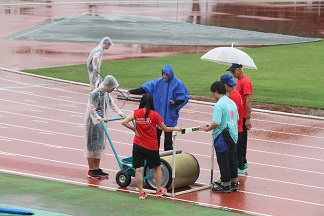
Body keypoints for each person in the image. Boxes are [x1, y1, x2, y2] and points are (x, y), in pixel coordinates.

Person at [122, 93, 182, 199]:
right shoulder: (154, 115)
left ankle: (141, 193)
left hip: (138, 144)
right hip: (151, 146)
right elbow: (165, 129)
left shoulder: (136, 113)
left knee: (139, 169)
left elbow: (124, 122)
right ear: (152, 103)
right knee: (157, 167)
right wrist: (176, 128)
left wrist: (134, 129)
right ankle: (158, 190)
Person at [126, 64, 189, 151]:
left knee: (168, 139)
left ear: (171, 74)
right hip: (158, 113)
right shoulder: (157, 83)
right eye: (164, 74)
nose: (165, 76)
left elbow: (183, 97)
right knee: (156, 137)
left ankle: (168, 153)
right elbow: (145, 88)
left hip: (170, 114)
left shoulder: (177, 83)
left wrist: (175, 102)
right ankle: (155, 152)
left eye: (167, 74)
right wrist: (132, 91)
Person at [200, 81, 239, 193]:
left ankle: (225, 185)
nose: (213, 96)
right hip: (233, 134)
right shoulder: (231, 103)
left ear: (216, 92)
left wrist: (207, 128)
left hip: (223, 135)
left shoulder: (219, 105)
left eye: (213, 93)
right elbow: (236, 118)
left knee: (223, 160)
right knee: (232, 159)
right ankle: (234, 182)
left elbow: (216, 122)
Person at [84, 75, 124, 179]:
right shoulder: (95, 94)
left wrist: (120, 113)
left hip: (102, 122)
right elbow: (92, 109)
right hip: (93, 123)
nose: (113, 90)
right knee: (92, 145)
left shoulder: (106, 94)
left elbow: (112, 105)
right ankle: (91, 169)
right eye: (112, 88)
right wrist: (99, 118)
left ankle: (97, 168)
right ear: (106, 85)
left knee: (100, 145)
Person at [227, 63, 253, 174]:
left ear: (239, 69)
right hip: (239, 116)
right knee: (239, 140)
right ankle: (244, 161)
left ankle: (241, 166)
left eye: (233, 71)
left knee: (241, 142)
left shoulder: (245, 81)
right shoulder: (240, 81)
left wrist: (248, 118)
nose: (232, 74)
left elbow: (248, 101)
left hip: (242, 117)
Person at [220, 74, 245, 175]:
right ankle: (233, 179)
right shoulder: (236, 94)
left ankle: (228, 178)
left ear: (225, 85)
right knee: (233, 155)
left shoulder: (232, 97)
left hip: (233, 129)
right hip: (237, 127)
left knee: (230, 157)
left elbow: (231, 115)